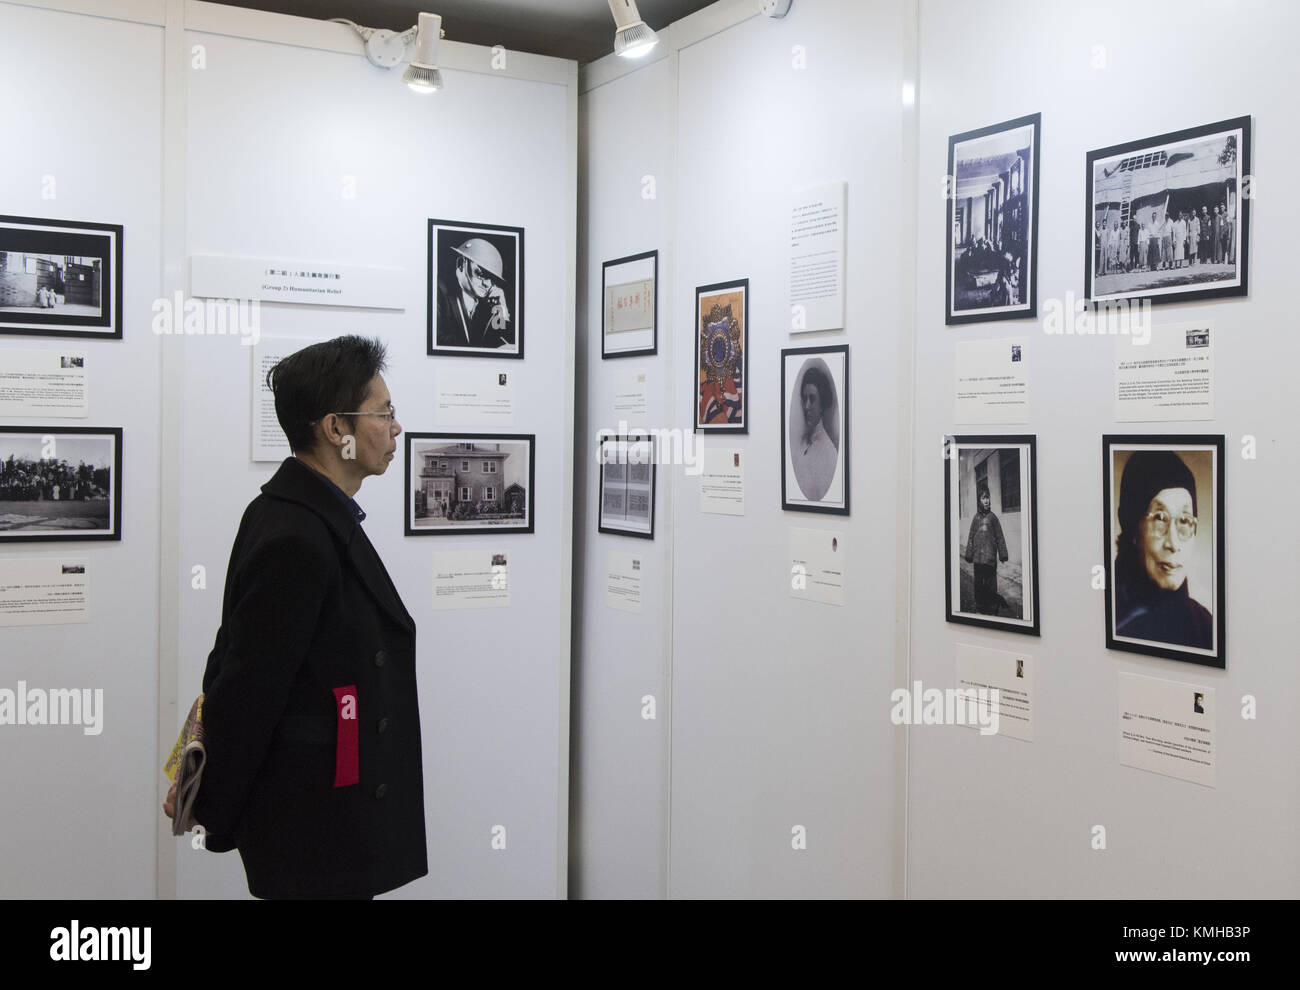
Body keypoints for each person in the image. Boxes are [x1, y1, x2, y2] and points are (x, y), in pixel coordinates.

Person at [171, 335, 427, 899]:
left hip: (327, 815)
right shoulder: (297, 534)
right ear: (337, 429)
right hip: (312, 826)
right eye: (383, 413)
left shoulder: (304, 515)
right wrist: (214, 801)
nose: (395, 428)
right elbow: (248, 683)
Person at [1112, 449, 1212, 649]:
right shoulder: (1110, 615)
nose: (1173, 544)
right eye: (1159, 518)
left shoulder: (1204, 625)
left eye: (1184, 521)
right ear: (1133, 529)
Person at [436, 236, 513, 349]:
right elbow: (437, 339)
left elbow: (501, 342)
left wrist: (502, 311)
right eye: (480, 274)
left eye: (492, 278)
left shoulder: (489, 303)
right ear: (461, 264)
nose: (488, 284)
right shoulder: (438, 290)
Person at [790, 364, 838, 502]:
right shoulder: (801, 443)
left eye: (812, 399)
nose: (807, 406)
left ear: (822, 404)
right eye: (805, 399)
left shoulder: (830, 454)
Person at [964, 483, 1008, 615]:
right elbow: (971, 536)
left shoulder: (993, 518)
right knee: (978, 585)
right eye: (983, 498)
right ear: (979, 500)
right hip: (978, 558)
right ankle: (980, 606)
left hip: (989, 559)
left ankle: (992, 607)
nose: (986, 500)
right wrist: (969, 554)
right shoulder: (975, 518)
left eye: (987, 497)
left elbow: (1000, 536)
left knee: (990, 584)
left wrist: (1003, 554)